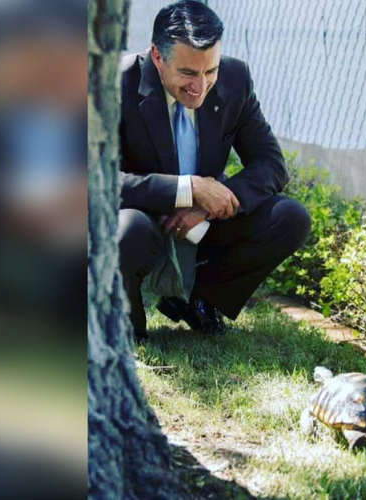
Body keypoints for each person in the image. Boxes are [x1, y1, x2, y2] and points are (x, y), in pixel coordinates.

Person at [117, 0, 311, 340]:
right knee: (126, 230)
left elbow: (271, 163)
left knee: (289, 216)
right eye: (188, 73)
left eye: (211, 71)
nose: (201, 86)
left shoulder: (235, 79)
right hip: (140, 217)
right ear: (157, 58)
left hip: (199, 224)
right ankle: (126, 328)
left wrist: (208, 204)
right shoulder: (112, 84)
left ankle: (199, 301)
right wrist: (187, 189)